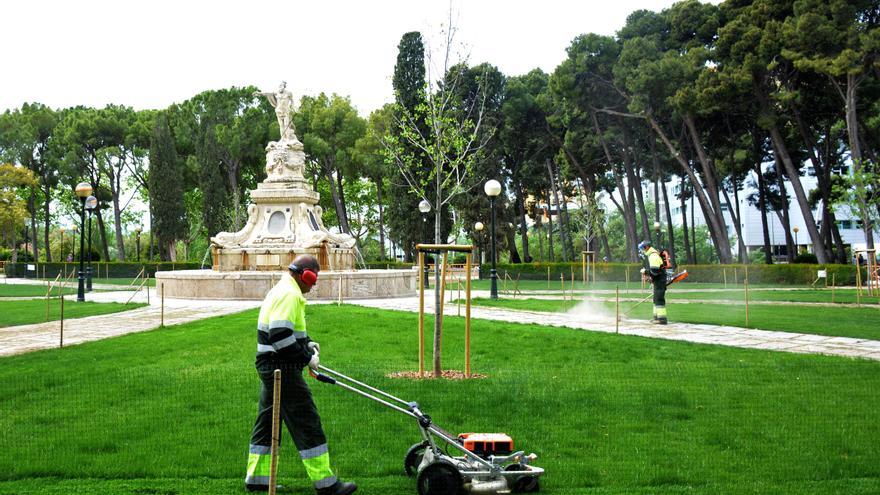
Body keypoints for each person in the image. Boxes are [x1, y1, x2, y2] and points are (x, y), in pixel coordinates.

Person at [245, 255, 357, 495]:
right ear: (303, 275)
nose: (314, 284)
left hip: (270, 365)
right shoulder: (290, 294)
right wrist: (306, 359)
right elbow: (279, 336)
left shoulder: (284, 289)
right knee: (307, 420)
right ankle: (327, 485)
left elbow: (288, 333)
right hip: (281, 369)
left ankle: (257, 479)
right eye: (313, 278)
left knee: (267, 422)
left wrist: (305, 343)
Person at [638, 240, 667, 325]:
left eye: (642, 248)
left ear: (646, 247)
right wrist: (651, 279)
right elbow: (655, 273)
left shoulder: (653, 256)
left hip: (660, 281)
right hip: (658, 280)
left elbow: (655, 271)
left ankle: (662, 319)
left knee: (659, 299)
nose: (642, 250)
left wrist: (645, 271)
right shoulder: (652, 255)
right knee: (655, 299)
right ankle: (656, 318)